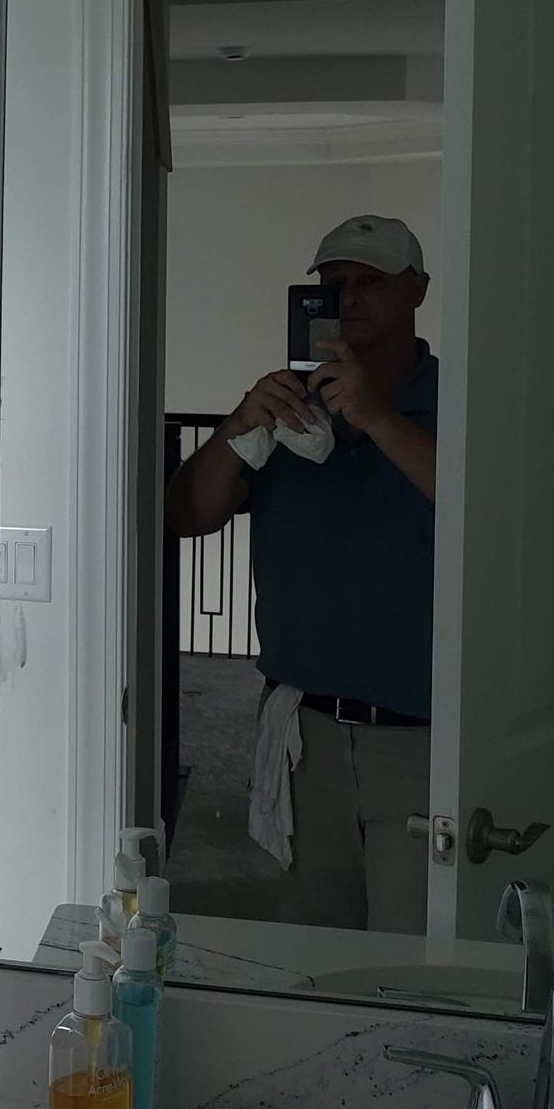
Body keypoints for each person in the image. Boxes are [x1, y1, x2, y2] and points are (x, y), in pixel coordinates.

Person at [165, 215, 437, 932]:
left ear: (418, 291)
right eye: (332, 284)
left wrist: (378, 418)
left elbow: (491, 515)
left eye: (370, 282)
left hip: (425, 738)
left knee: (417, 951)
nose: (349, 299)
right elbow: (188, 515)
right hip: (303, 732)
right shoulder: (289, 416)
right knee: (312, 938)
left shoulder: (464, 402)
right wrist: (239, 423)